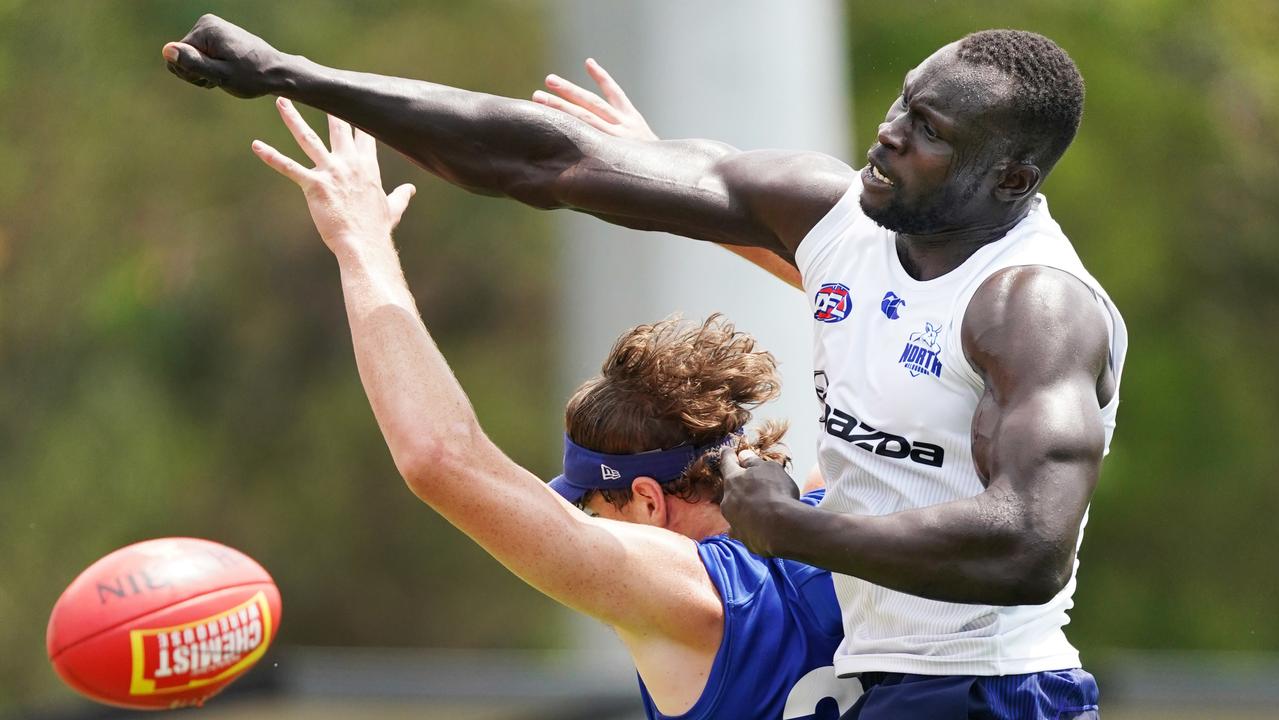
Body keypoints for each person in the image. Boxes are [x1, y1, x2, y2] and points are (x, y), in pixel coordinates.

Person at [166, 17, 1125, 717]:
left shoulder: (1033, 309)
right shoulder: (840, 226)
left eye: (929, 133)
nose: (889, 134)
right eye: (901, 103)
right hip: (889, 681)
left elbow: (1028, 549)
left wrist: (793, 529)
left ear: (1012, 178)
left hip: (995, 691)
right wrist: (299, 73)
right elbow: (545, 160)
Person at [248, 98, 862, 719]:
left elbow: (440, 458)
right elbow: (860, 286)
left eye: (594, 510)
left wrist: (360, 244)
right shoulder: (855, 503)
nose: (587, 528)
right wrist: (666, 181)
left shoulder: (690, 600)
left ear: (648, 500)